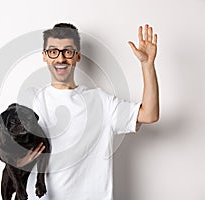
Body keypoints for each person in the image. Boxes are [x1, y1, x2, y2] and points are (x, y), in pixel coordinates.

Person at [16, 23, 159, 200]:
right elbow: (9, 147)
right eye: (53, 51)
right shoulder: (31, 100)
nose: (60, 59)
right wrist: (17, 161)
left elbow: (150, 114)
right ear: (45, 56)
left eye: (68, 52)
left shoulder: (101, 101)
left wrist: (147, 65)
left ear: (78, 56)